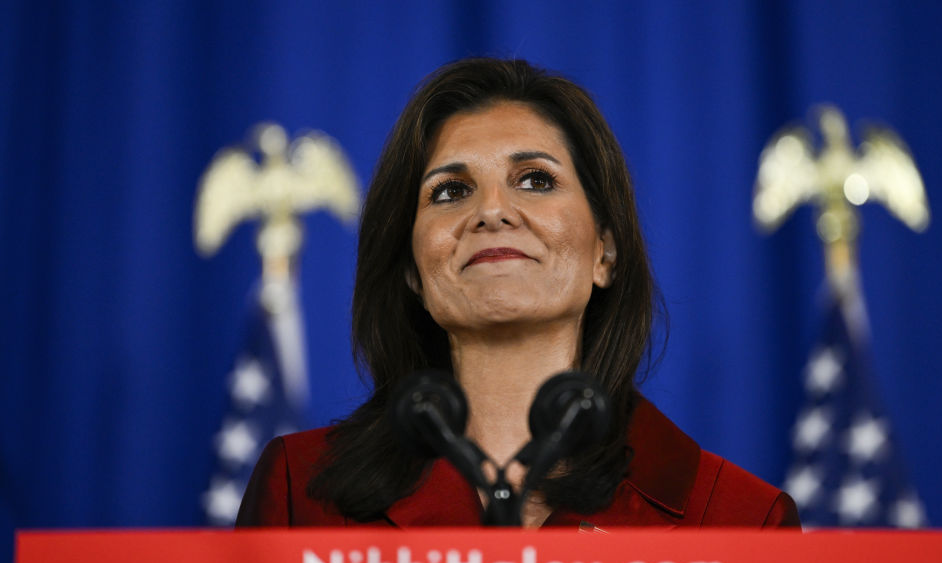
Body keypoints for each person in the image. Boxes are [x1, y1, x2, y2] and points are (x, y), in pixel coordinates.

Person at [236, 58, 800, 529]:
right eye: (451, 191)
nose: (491, 211)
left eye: (535, 180)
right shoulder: (302, 491)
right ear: (412, 269)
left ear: (606, 249)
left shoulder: (739, 518)